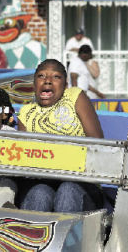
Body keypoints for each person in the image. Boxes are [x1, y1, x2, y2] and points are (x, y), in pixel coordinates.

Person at [17, 58, 105, 213]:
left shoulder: (74, 96)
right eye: (41, 76)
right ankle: (35, 235)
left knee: (67, 190)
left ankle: (68, 237)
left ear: (65, 85)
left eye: (56, 77)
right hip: (43, 181)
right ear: (34, 85)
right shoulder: (26, 113)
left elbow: (97, 143)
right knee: (40, 194)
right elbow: (25, 160)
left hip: (81, 182)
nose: (48, 81)